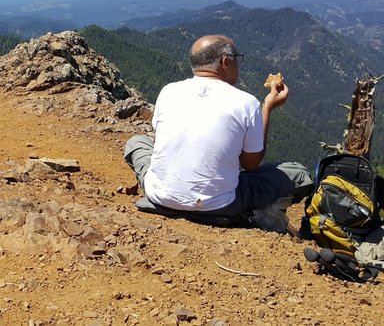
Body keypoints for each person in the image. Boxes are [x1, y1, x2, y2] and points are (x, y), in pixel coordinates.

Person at [123, 34, 313, 221]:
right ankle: (256, 213)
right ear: (225, 62)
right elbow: (251, 164)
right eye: (237, 60)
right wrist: (267, 107)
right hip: (219, 205)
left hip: (160, 196)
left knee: (136, 142)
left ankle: (172, 198)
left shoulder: (168, 91)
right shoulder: (246, 103)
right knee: (296, 173)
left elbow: (158, 145)